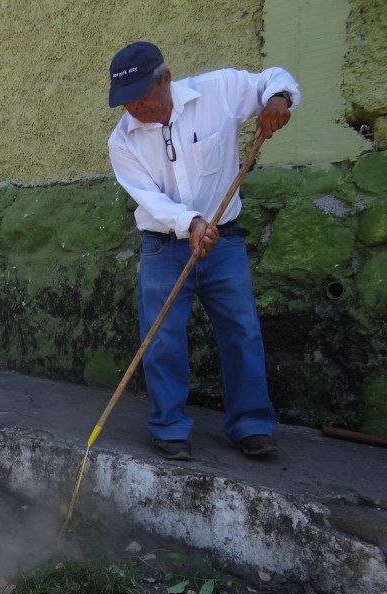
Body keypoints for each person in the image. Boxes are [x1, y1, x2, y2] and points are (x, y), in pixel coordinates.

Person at [106, 41, 299, 461]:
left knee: (241, 330)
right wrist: (190, 222)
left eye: (142, 98)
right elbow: (150, 199)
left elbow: (273, 79)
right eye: (126, 102)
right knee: (160, 338)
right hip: (162, 246)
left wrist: (279, 101)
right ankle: (169, 426)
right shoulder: (122, 141)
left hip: (224, 241)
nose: (135, 110)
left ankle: (250, 425)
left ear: (166, 80)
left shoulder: (220, 91)